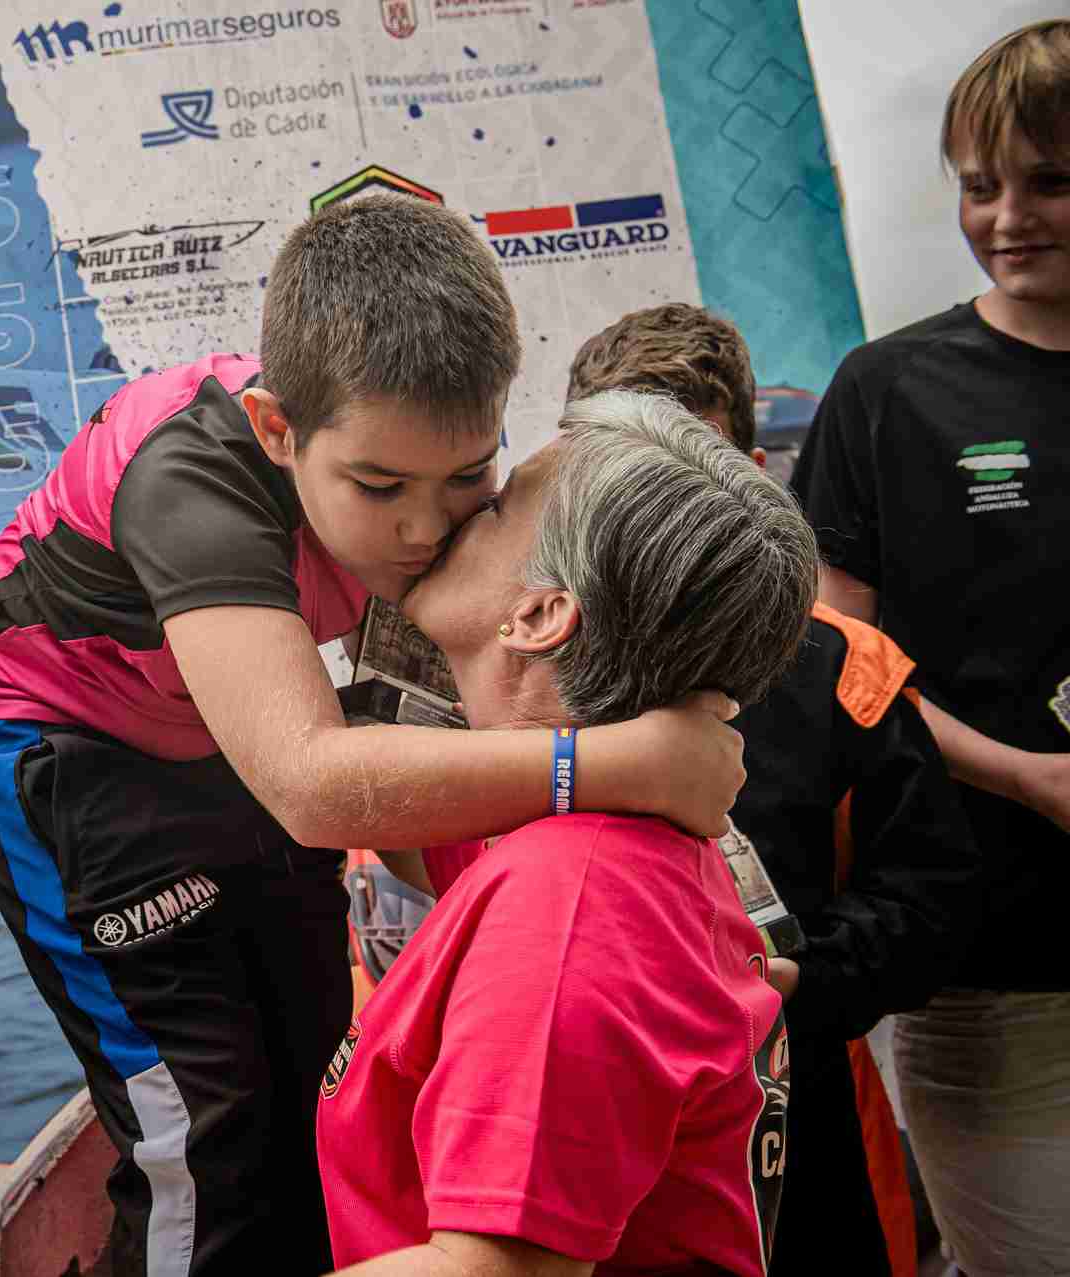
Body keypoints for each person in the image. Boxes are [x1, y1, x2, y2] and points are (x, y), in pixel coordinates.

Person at [0, 194, 750, 1275]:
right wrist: (618, 762)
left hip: (237, 739)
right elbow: (315, 784)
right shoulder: (192, 473)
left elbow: (443, 761)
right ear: (278, 431)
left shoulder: (409, 478)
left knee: (327, 1071)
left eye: (469, 479)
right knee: (205, 1131)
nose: (424, 526)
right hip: (67, 747)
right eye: (378, 486)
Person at [318, 391, 814, 1276]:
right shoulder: (594, 831)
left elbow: (494, 1271)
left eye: (496, 506)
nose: (458, 513)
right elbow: (361, 799)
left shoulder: (568, 902)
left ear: (542, 613)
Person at [568, 304, 983, 1277]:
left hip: (806, 1128)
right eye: (622, 466)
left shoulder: (843, 665)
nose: (655, 506)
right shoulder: (520, 659)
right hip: (593, 1134)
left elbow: (932, 899)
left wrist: (796, 980)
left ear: (753, 477)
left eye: (688, 468)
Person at [793, 20, 1070, 1273]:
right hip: (989, 960)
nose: (1007, 218)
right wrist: (1028, 775)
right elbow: (840, 656)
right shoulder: (890, 391)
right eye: (978, 186)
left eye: (1049, 181)